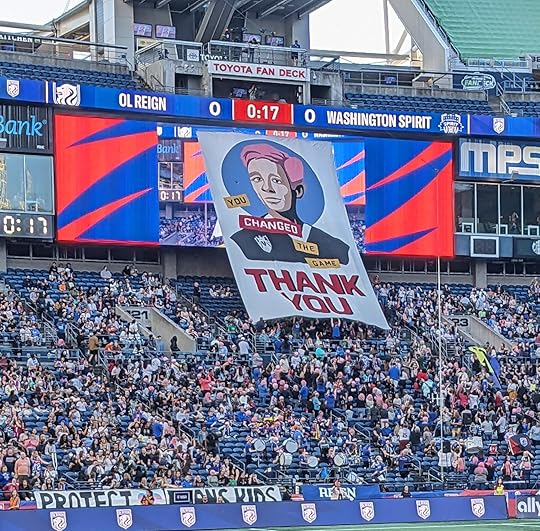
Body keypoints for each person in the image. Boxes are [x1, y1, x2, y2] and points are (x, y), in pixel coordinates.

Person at [230, 143, 349, 264]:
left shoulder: (335, 247)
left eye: (276, 180)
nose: (267, 188)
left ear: (298, 190)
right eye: (257, 179)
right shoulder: (242, 240)